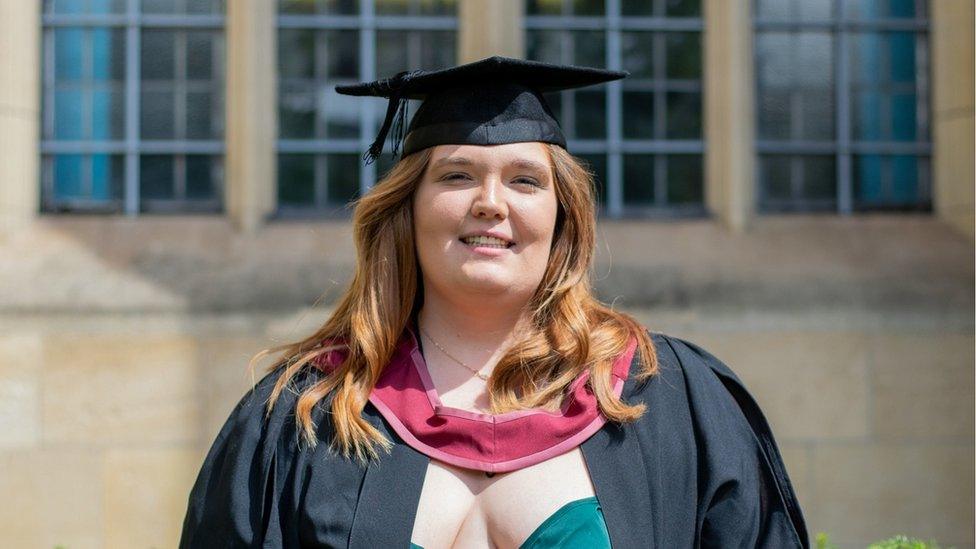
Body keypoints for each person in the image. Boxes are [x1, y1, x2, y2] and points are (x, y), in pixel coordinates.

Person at [179, 56, 809, 548]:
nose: (491, 202)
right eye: (456, 175)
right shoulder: (304, 413)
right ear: (407, 211)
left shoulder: (668, 397)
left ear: (563, 217)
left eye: (525, 180)